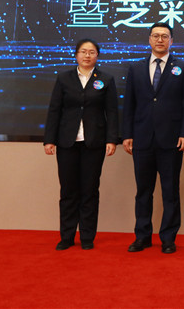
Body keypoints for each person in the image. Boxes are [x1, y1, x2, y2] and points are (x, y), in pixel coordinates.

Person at [122, 22, 184, 254]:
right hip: (142, 139)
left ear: (171, 41)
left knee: (170, 191)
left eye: (164, 36)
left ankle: (168, 238)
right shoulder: (136, 68)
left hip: (171, 140)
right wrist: (127, 134)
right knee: (143, 191)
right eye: (156, 36)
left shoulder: (182, 68)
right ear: (149, 39)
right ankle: (142, 236)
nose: (160, 40)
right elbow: (129, 105)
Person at [44, 38, 118, 251]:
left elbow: (112, 112)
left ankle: (87, 236)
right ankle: (67, 236)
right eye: (83, 51)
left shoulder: (106, 79)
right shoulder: (64, 78)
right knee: (68, 190)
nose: (87, 55)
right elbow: (54, 110)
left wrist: (112, 139)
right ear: (76, 55)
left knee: (90, 190)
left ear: (97, 56)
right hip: (67, 142)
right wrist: (49, 139)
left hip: (94, 143)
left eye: (92, 52)